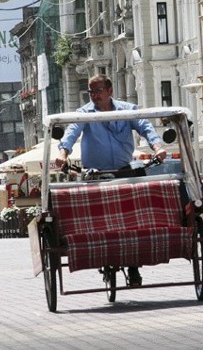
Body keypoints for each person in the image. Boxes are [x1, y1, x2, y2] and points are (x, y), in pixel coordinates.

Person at [54, 74, 167, 286]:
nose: (94, 96)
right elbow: (71, 132)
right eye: (91, 92)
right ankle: (101, 255)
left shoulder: (128, 110)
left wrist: (158, 147)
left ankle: (133, 266)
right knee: (96, 216)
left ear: (110, 91)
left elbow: (145, 127)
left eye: (98, 91)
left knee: (134, 218)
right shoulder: (84, 113)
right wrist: (63, 152)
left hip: (124, 171)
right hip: (95, 174)